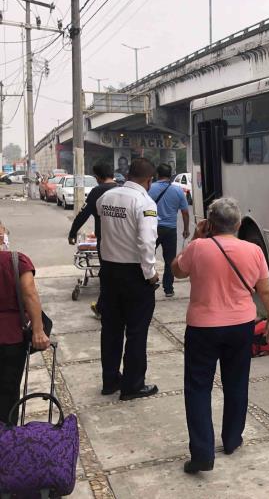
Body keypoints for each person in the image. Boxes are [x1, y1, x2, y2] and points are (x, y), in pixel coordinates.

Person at [171, 198, 269, 474]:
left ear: (209, 223)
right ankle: (231, 440)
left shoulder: (197, 248)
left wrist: (195, 235)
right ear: (238, 224)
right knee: (236, 383)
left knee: (197, 388)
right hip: (241, 325)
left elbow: (177, 271)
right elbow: (265, 290)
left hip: (202, 328)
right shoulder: (253, 250)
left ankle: (203, 453)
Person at [96, 158, 159, 401]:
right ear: (148, 180)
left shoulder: (107, 197)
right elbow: (146, 242)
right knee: (136, 331)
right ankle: (133, 385)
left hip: (109, 272)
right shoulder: (144, 202)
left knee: (110, 329)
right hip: (134, 275)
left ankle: (110, 380)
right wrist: (150, 274)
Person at [0, 221, 51, 425]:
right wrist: (38, 331)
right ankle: (7, 440)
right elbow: (29, 294)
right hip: (12, 338)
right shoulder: (16, 260)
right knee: (9, 391)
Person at [68, 162, 119, 319]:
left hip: (105, 240)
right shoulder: (122, 189)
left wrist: (72, 232)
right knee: (120, 273)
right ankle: (111, 307)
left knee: (107, 274)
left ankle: (103, 308)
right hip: (124, 239)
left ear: (97, 178)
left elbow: (83, 214)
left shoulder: (97, 191)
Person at [148, 163, 190, 297]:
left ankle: (149, 281)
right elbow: (185, 212)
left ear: (157, 175)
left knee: (147, 256)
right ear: (171, 176)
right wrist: (186, 229)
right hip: (170, 229)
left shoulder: (150, 188)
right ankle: (168, 289)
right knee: (169, 260)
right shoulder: (178, 191)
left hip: (152, 228)